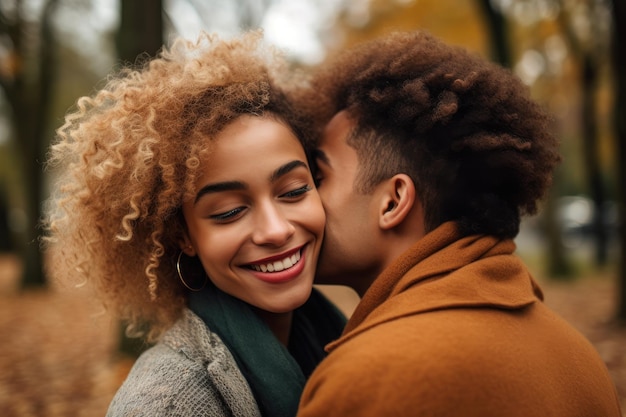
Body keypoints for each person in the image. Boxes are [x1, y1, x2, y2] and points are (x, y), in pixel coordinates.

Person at [293, 31, 622, 416]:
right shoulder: (576, 352)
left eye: (316, 179)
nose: (298, 205)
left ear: (393, 201)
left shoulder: (373, 375)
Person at [42, 31, 345, 417]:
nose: (276, 230)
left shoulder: (334, 340)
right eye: (229, 211)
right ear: (183, 235)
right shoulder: (166, 404)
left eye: (293, 191)